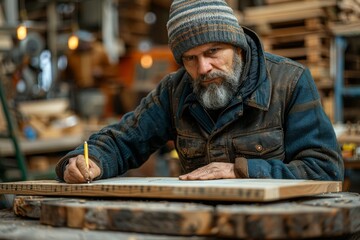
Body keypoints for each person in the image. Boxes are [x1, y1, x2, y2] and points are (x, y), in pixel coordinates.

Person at [56, 0, 344, 184]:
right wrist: (88, 160)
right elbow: (123, 142)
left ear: (238, 46)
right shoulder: (175, 90)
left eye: (213, 51)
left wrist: (240, 170)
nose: (203, 68)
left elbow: (325, 170)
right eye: (190, 59)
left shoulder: (290, 82)